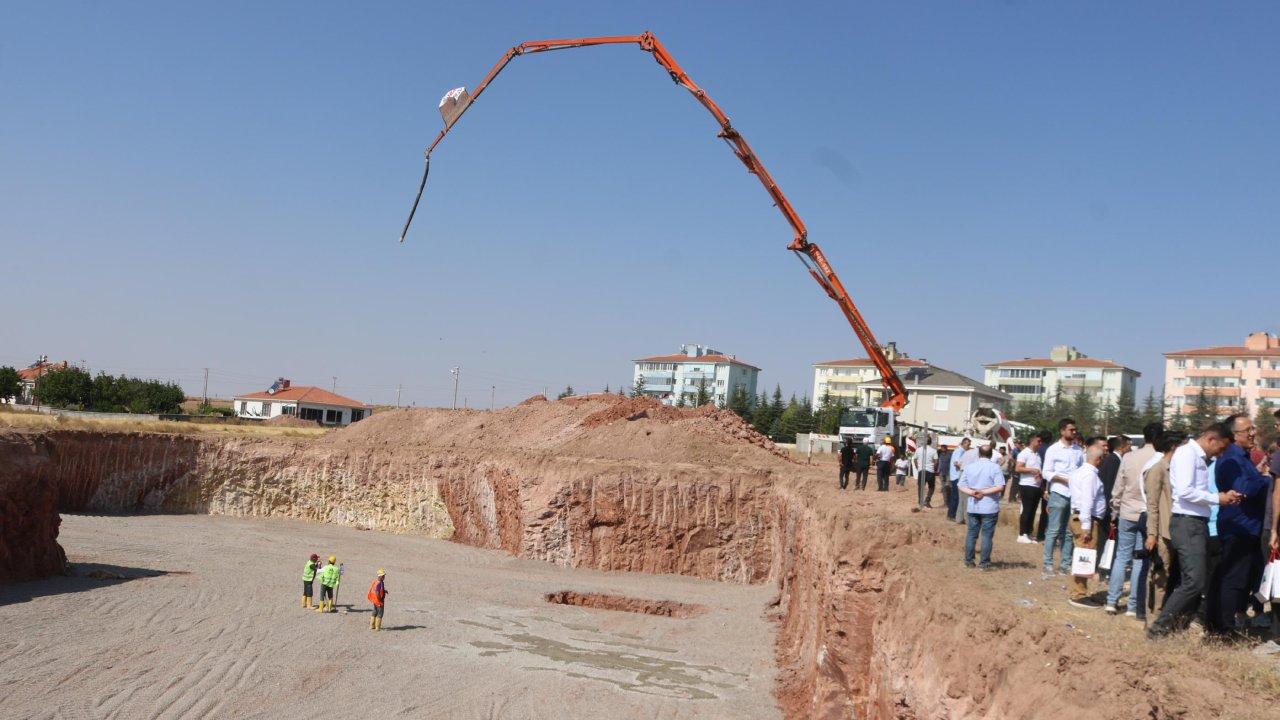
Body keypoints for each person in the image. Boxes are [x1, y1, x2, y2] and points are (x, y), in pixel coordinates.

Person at [1147, 423, 1240, 640]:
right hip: (1187, 524)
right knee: (1194, 581)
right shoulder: (1187, 454)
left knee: (1195, 580)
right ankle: (1159, 629)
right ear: (1211, 439)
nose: (1220, 453)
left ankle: (1178, 626)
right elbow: (1185, 491)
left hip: (1196, 523)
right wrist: (1217, 498)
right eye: (1221, 447)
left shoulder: (1197, 457)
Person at [1206, 413, 1270, 638]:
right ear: (1233, 435)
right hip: (1238, 525)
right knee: (1234, 578)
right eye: (1248, 430)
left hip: (1247, 525)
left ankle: (1220, 623)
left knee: (1239, 577)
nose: (1253, 433)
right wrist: (1267, 480)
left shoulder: (1242, 456)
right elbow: (1243, 489)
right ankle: (1223, 628)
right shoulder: (1231, 459)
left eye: (1253, 429)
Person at [1105, 422, 1162, 618]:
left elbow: (1118, 487)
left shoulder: (1129, 457)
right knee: (1140, 561)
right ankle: (1133, 605)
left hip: (1127, 512)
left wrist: (1115, 511)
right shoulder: (1160, 458)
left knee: (1121, 557)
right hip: (1148, 515)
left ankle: (1111, 601)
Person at [1144, 431, 1184, 613]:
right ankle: (1156, 615)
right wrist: (1152, 534)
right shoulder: (1157, 470)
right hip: (1163, 533)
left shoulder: (1177, 469)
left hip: (1177, 531)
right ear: (1174, 447)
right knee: (1161, 575)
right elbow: (1152, 505)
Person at [1067, 438, 1108, 609]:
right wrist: (1086, 527)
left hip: (1080, 517)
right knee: (1084, 557)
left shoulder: (1078, 472)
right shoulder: (1090, 475)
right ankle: (1078, 595)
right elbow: (1087, 501)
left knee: (1082, 555)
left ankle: (1079, 592)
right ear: (1098, 459)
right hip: (1087, 519)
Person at [1042, 419, 1083, 577]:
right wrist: (1062, 479)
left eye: (1075, 429)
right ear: (1062, 431)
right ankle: (1048, 564)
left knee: (1069, 531)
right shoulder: (1053, 449)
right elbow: (1046, 472)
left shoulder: (1078, 450)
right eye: (1071, 430)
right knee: (1053, 530)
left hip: (1074, 495)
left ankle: (1065, 564)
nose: (1074, 432)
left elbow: (1082, 470)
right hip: (1059, 492)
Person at [958, 444, 1006, 570]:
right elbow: (1000, 486)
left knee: (971, 534)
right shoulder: (995, 467)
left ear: (979, 454)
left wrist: (973, 492)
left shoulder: (970, 467)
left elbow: (961, 485)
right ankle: (984, 563)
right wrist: (983, 492)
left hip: (973, 506)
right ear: (991, 454)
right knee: (986, 536)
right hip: (989, 507)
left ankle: (969, 561)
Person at [1096, 435, 1131, 568]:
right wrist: (1112, 511)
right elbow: (1111, 486)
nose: (1130, 449)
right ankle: (1101, 566)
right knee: (1106, 538)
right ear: (1122, 447)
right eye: (1128, 446)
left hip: (1108, 507)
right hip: (1108, 508)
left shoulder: (1114, 459)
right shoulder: (1113, 461)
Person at [1015, 434, 1044, 544]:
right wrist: (1032, 470)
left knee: (1033, 510)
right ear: (1032, 441)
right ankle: (1022, 534)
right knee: (1026, 510)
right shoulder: (1024, 453)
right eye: (1038, 441)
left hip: (1036, 485)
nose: (1040, 443)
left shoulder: (1037, 454)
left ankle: (1028, 532)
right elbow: (1018, 468)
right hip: (1026, 485)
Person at [953, 438, 978, 525]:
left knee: (961, 499)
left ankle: (959, 519)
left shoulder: (966, 453)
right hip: (969, 476)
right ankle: (967, 520)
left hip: (961, 475)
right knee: (968, 499)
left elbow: (957, 464)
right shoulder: (977, 454)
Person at [914, 437, 939, 509]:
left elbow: (915, 459)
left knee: (921, 487)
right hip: (930, 471)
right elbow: (936, 462)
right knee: (931, 487)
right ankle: (927, 501)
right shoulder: (933, 450)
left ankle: (920, 502)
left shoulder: (918, 450)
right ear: (930, 442)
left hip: (921, 470)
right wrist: (934, 469)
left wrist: (918, 467)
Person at [940, 443, 957, 520]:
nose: (942, 449)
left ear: (946, 448)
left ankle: (949, 503)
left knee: (948, 488)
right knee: (944, 488)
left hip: (948, 473)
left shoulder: (950, 455)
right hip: (942, 473)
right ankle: (945, 502)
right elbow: (940, 463)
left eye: (943, 448)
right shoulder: (941, 455)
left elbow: (952, 464)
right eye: (941, 448)